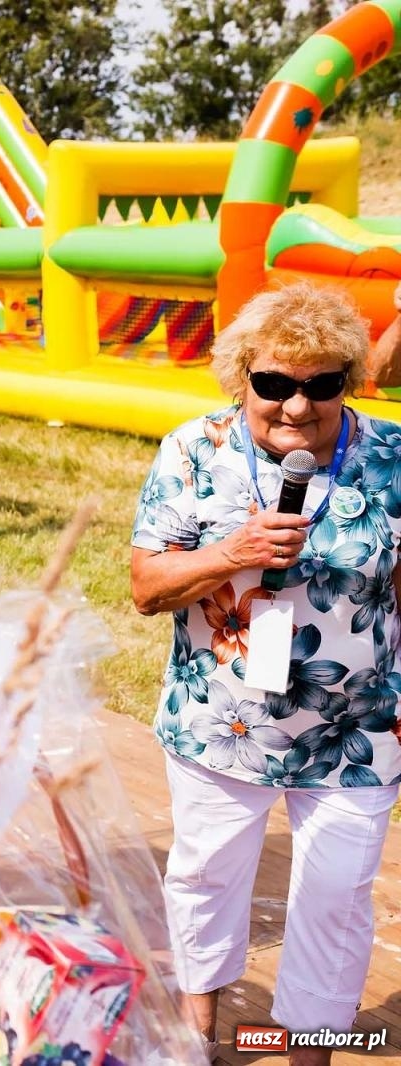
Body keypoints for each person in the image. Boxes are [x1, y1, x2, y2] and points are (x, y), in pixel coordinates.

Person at [130, 282, 401, 1066]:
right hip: (222, 722)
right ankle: (197, 1031)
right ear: (240, 375)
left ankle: (307, 1054)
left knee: (338, 899)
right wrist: (231, 555)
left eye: (322, 385)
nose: (296, 407)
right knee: (209, 877)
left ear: (347, 382)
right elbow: (148, 588)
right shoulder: (194, 450)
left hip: (356, 728)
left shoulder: (388, 459)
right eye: (274, 384)